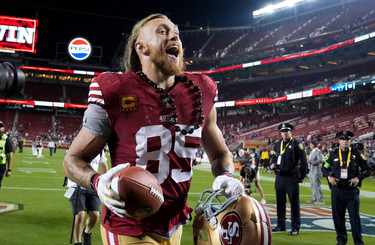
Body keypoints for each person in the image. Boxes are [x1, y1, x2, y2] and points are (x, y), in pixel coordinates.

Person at [63, 13, 244, 245]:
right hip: (128, 224)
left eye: (176, 33)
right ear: (141, 47)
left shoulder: (202, 90)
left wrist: (226, 175)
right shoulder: (114, 89)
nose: (174, 37)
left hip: (175, 223)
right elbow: (72, 160)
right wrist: (98, 182)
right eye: (163, 31)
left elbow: (219, 155)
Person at [322, 130, 371, 245]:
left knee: (355, 218)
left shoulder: (356, 154)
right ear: (339, 141)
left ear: (350, 141)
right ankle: (341, 241)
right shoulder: (333, 154)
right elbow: (324, 168)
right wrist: (329, 177)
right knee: (338, 218)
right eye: (343, 139)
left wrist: (358, 178)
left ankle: (358, 242)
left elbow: (368, 169)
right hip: (337, 190)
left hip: (351, 191)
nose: (345, 141)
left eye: (347, 139)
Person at [270, 123, 307, 236]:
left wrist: (301, 177)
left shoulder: (296, 144)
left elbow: (304, 161)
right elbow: (274, 157)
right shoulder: (277, 144)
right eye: (283, 131)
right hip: (280, 177)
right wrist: (272, 164)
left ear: (291, 132)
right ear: (280, 132)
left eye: (287, 131)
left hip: (292, 177)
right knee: (280, 202)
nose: (285, 133)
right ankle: (281, 225)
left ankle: (295, 227)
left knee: (294, 203)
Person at [66, 150, 108, 245]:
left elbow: (104, 166)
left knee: (95, 215)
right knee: (80, 215)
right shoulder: (77, 146)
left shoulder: (99, 150)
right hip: (75, 185)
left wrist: (104, 182)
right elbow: (68, 164)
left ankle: (86, 232)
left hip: (92, 186)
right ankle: (78, 242)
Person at [0, 121, 13, 189]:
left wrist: (9, 169)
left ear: (3, 128)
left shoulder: (6, 139)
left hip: (1, 165)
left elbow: (10, 155)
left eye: (1, 126)